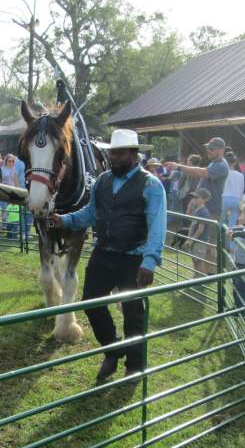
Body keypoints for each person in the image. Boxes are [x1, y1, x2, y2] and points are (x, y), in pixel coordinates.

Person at [49, 128, 167, 382]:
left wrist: (149, 261)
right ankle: (113, 349)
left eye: (118, 153)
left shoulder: (151, 185)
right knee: (91, 303)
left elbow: (157, 225)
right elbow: (91, 213)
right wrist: (64, 220)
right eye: (111, 153)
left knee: (134, 313)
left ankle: (135, 366)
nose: (112, 157)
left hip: (133, 258)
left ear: (133, 155)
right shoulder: (102, 181)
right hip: (103, 254)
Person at [165, 137, 229, 232]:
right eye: (208, 148)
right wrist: (193, 200)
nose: (208, 151)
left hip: (212, 210)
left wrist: (178, 167)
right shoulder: (214, 163)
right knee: (197, 239)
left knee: (205, 242)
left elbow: (202, 173)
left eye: (211, 149)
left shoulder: (221, 165)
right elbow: (202, 181)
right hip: (204, 208)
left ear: (221, 150)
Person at [185, 188, 213, 276]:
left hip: (200, 240)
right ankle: (196, 276)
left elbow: (200, 229)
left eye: (197, 197)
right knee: (194, 259)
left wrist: (191, 240)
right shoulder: (196, 210)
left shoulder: (204, 212)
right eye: (193, 197)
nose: (194, 199)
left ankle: (200, 278)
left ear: (204, 199)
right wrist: (188, 238)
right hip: (194, 239)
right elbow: (192, 225)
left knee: (199, 260)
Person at [221, 153, 245, 248]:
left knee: (221, 223)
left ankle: (220, 243)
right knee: (232, 225)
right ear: (235, 162)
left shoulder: (223, 173)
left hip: (224, 198)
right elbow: (242, 189)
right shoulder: (240, 175)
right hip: (236, 199)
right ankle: (231, 247)